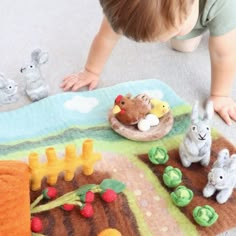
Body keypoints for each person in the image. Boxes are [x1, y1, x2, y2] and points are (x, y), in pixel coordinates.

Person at [61, 0, 236, 125]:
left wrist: (220, 95)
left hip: (219, 9)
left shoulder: (222, 4)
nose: (161, 41)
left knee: (223, 34)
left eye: (173, 30)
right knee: (183, 46)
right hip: (192, 15)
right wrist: (91, 71)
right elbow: (106, 37)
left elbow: (223, 55)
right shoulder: (123, 8)